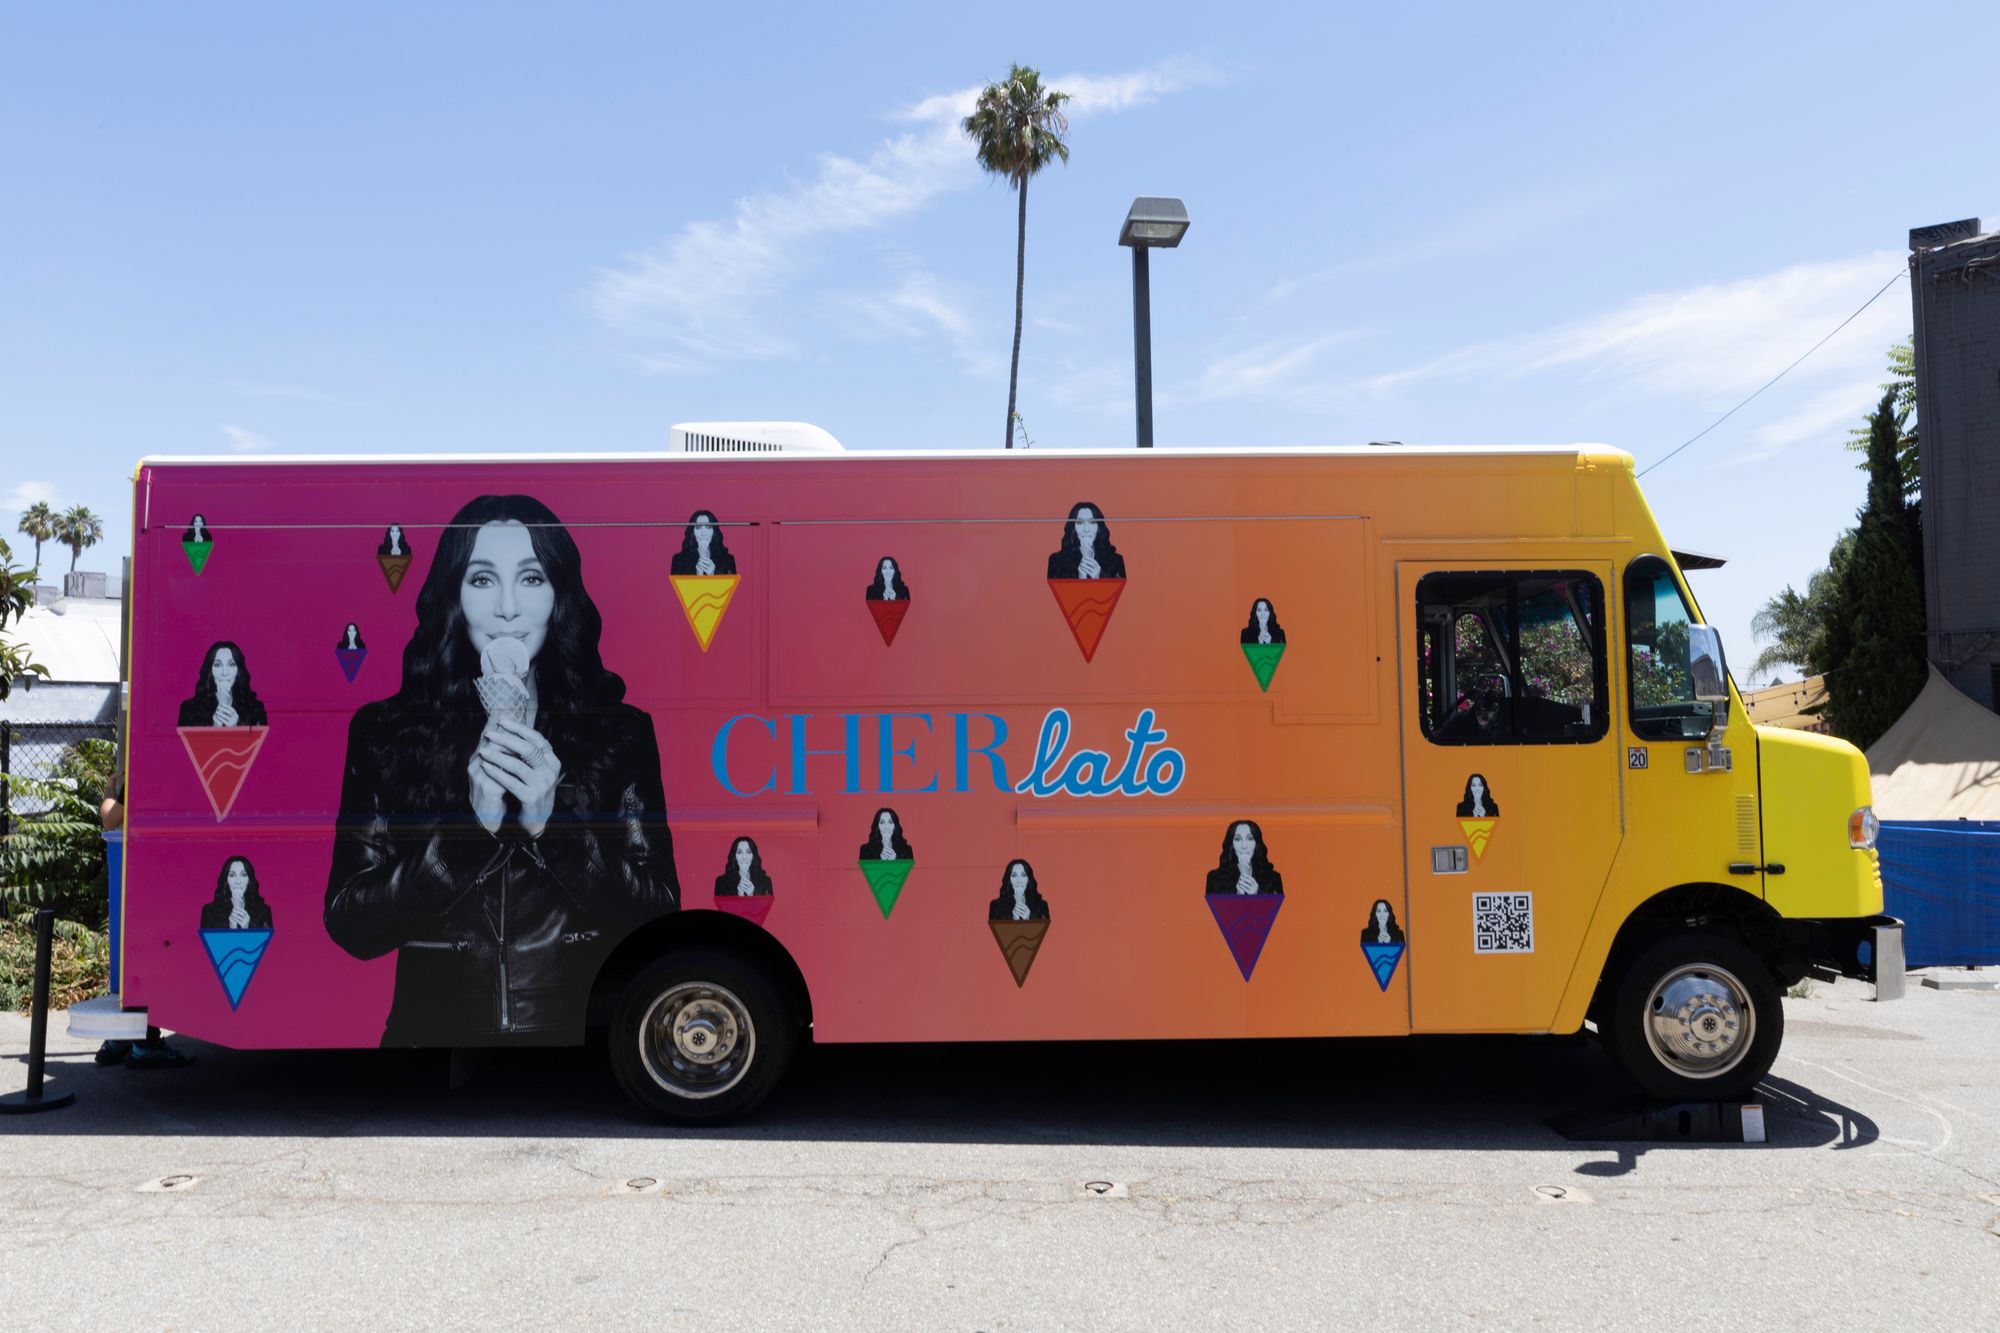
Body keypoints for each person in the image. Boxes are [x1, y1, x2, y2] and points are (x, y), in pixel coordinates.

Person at [323, 493, 679, 1047]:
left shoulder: (619, 730)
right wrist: (471, 830)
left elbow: (656, 914)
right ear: (454, 596)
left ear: (559, 595)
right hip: (429, 1042)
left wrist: (551, 825)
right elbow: (351, 923)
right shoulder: (387, 731)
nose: (508, 608)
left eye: (532, 578)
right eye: (483, 579)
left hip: (576, 1036)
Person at [94, 720, 195, 1069]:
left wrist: (109, 790)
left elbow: (111, 819)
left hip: (142, 876)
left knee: (140, 957)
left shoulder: (141, 768)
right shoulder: (181, 764)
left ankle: (130, 1039)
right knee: (158, 957)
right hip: (170, 872)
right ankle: (141, 1040)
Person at [177, 641, 268, 728]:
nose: (224, 673)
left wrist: (237, 727)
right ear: (210, 670)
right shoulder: (189, 709)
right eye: (217, 665)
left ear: (238, 670)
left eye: (231, 664)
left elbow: (261, 742)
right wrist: (214, 727)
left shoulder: (256, 708)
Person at [1045, 502, 1126, 580]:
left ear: (1099, 527)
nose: (1086, 529)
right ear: (1073, 527)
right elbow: (1056, 593)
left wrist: (1099, 578)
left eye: (1092, 522)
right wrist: (1080, 579)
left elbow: (1118, 592)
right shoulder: (1056, 561)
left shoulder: (1116, 561)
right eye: (1080, 522)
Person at [1204, 819, 1284, 896]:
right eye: (1237, 839)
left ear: (1257, 844)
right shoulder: (1214, 878)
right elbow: (1215, 909)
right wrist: (1238, 895)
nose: (1244, 846)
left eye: (1250, 838)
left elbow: (1276, 908)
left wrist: (1257, 895)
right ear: (1231, 844)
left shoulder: (1273, 878)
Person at [199, 856, 275, 931]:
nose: (238, 882)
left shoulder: (263, 911)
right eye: (232, 875)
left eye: (243, 875)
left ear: (249, 880)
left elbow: (266, 942)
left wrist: (247, 928)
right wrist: (231, 929)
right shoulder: (209, 912)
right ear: (226, 879)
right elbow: (208, 942)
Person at [670, 510, 737, 576]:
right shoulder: (678, 560)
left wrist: (712, 575)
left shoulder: (728, 560)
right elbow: (677, 586)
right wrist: (698, 575)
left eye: (708, 527)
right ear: (692, 532)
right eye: (698, 527)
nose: (703, 533)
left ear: (714, 531)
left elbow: (731, 586)